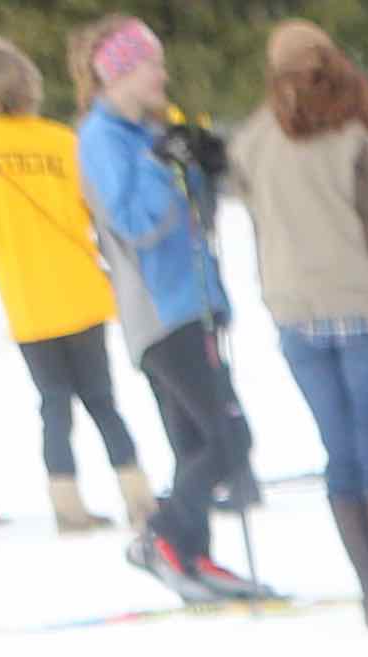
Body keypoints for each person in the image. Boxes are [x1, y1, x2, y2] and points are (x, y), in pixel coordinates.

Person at [222, 26, 368, 618]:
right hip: (367, 307)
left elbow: (255, 214)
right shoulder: (362, 127)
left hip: (296, 312)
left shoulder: (253, 138)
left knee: (340, 456)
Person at [82, 22, 265, 598]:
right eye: (151, 65)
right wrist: (162, 163)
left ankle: (189, 553)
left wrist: (204, 168)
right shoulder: (102, 138)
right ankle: (159, 537)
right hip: (162, 311)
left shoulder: (146, 130)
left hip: (193, 300)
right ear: (121, 73)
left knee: (194, 443)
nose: (163, 76)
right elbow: (136, 225)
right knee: (229, 439)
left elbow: (190, 218)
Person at [0, 42, 134, 530]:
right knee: (103, 400)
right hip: (80, 287)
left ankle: (67, 505)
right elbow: (94, 207)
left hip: (26, 298)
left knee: (53, 405)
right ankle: (137, 495)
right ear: (30, 83)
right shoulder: (62, 140)